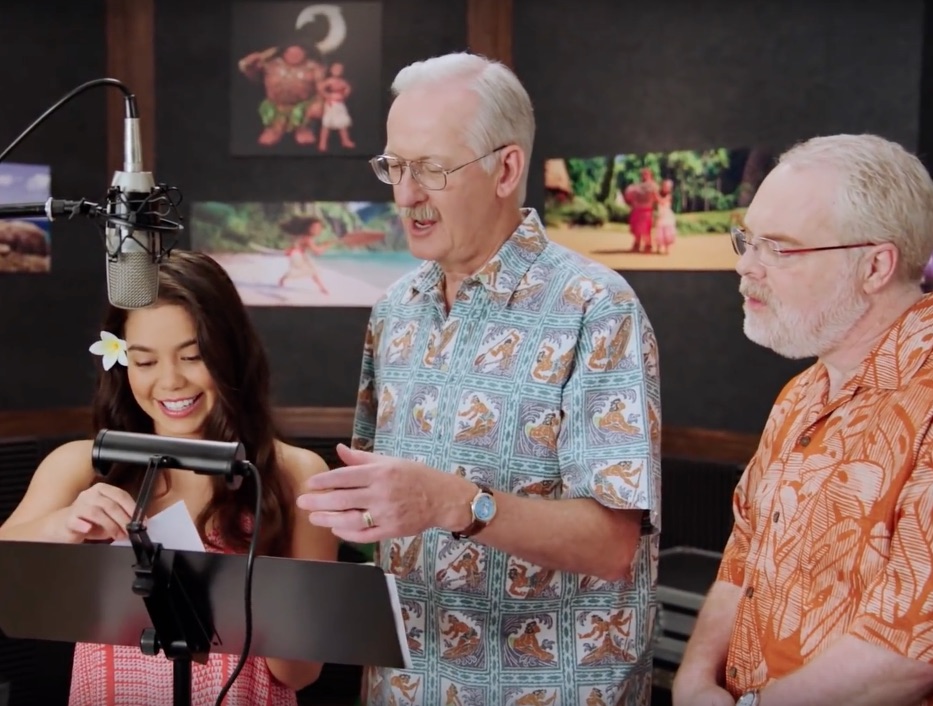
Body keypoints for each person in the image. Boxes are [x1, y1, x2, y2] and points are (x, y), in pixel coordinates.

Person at [296, 52, 662, 705]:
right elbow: (381, 508)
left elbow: (612, 546)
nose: (405, 194)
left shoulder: (595, 308)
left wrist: (457, 504)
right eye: (394, 166)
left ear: (506, 169)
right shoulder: (395, 309)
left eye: (431, 169)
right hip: (405, 686)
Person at [0, 250, 339, 706]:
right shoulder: (84, 465)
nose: (171, 380)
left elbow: (300, 672)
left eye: (193, 356)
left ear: (231, 353)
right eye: (144, 362)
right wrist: (62, 525)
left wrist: (250, 582)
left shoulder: (294, 474)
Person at [671, 134, 933, 706]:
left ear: (875, 266)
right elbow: (743, 558)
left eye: (780, 249)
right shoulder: (801, 393)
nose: (745, 266)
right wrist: (693, 682)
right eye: (748, 240)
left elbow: (909, 652)